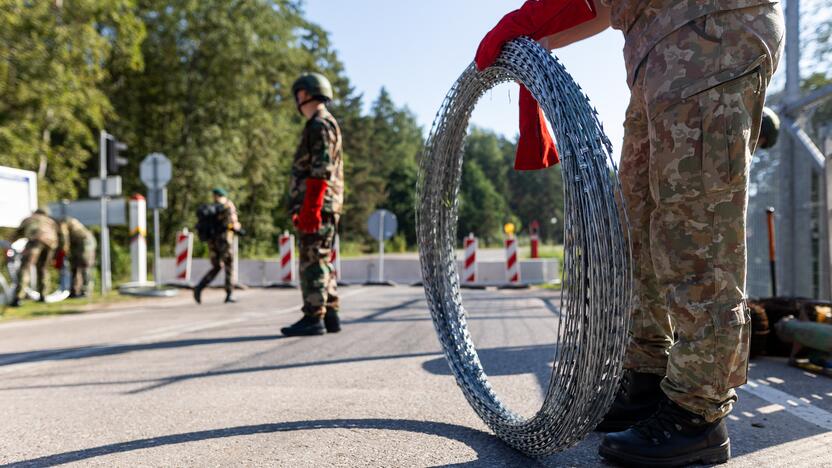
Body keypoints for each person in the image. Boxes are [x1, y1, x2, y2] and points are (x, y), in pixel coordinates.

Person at [476, 1, 784, 466]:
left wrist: (529, 22)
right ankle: (644, 377)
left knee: (693, 228)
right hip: (656, 47)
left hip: (708, 31)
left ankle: (696, 413)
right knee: (634, 228)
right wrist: (531, 37)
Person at [280, 72, 344, 337]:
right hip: (326, 204)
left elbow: (320, 169)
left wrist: (311, 208)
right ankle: (329, 313)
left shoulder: (318, 124)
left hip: (318, 204)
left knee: (312, 259)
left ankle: (313, 316)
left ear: (304, 94)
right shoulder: (326, 123)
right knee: (322, 258)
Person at [193, 188, 241, 304]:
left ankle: (200, 287)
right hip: (224, 241)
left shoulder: (212, 208)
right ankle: (229, 294)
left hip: (212, 242)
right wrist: (238, 229)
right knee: (229, 264)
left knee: (217, 266)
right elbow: (233, 224)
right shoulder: (227, 207)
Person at [8, 208, 62, 307]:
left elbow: (17, 233)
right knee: (43, 269)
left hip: (35, 241)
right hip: (51, 243)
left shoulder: (30, 219)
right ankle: (43, 295)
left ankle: (18, 297)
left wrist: (9, 243)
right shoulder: (50, 221)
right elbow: (58, 234)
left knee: (25, 268)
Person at [61, 216, 97, 298]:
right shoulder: (70, 222)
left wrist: (64, 249)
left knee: (84, 265)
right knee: (74, 267)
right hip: (79, 244)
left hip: (85, 243)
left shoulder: (65, 224)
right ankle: (74, 290)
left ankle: (86, 291)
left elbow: (65, 239)